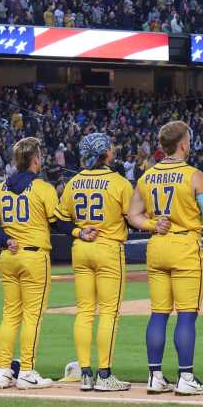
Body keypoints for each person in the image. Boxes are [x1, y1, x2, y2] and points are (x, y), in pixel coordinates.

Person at [129, 121, 203, 396]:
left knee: (158, 313)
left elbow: (134, 216)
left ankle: (155, 376)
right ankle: (186, 377)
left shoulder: (147, 176)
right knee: (186, 316)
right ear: (183, 144)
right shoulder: (194, 175)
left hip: (157, 246)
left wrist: (155, 225)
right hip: (185, 246)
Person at [57, 133, 134, 392]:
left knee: (84, 312)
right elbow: (133, 217)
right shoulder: (119, 182)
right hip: (109, 248)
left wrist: (79, 232)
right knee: (109, 313)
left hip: (81, 248)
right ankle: (104, 374)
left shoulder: (73, 182)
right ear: (106, 153)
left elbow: (60, 219)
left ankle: (86, 373)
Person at [0, 137, 60, 390]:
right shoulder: (43, 188)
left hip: (9, 256)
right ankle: (27, 370)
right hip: (34, 256)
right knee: (32, 316)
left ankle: (3, 371)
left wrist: (5, 240)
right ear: (35, 159)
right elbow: (57, 221)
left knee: (10, 315)